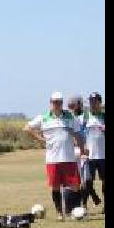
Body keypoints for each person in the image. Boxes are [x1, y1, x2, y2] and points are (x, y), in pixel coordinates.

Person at [24, 92, 87, 220]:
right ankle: (59, 213)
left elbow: (78, 135)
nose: (57, 104)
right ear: (50, 103)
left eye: (59, 102)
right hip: (52, 159)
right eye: (54, 102)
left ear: (62, 103)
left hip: (69, 158)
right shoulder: (44, 117)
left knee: (75, 186)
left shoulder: (69, 117)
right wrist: (40, 138)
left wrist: (82, 151)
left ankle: (74, 210)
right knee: (56, 186)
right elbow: (27, 128)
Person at [82, 91, 106, 213]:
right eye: (91, 101)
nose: (93, 103)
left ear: (100, 103)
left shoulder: (104, 117)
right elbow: (79, 134)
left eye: (95, 101)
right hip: (89, 156)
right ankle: (84, 206)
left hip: (103, 156)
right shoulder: (85, 117)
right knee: (87, 182)